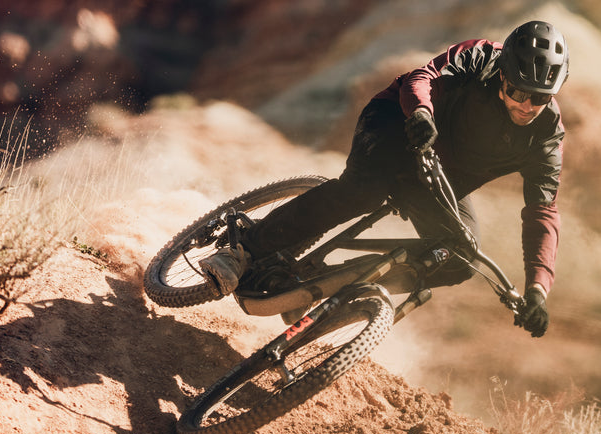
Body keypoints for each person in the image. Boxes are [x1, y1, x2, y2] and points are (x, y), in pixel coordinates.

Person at [199, 21, 568, 337]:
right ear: (503, 73)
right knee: (364, 192)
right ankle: (241, 251)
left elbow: (542, 215)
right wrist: (421, 113)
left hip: (436, 177)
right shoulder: (481, 57)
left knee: (460, 258)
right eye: (518, 92)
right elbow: (424, 77)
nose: (527, 106)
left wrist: (538, 290)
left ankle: (322, 288)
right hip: (398, 123)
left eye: (539, 98)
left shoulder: (547, 138)